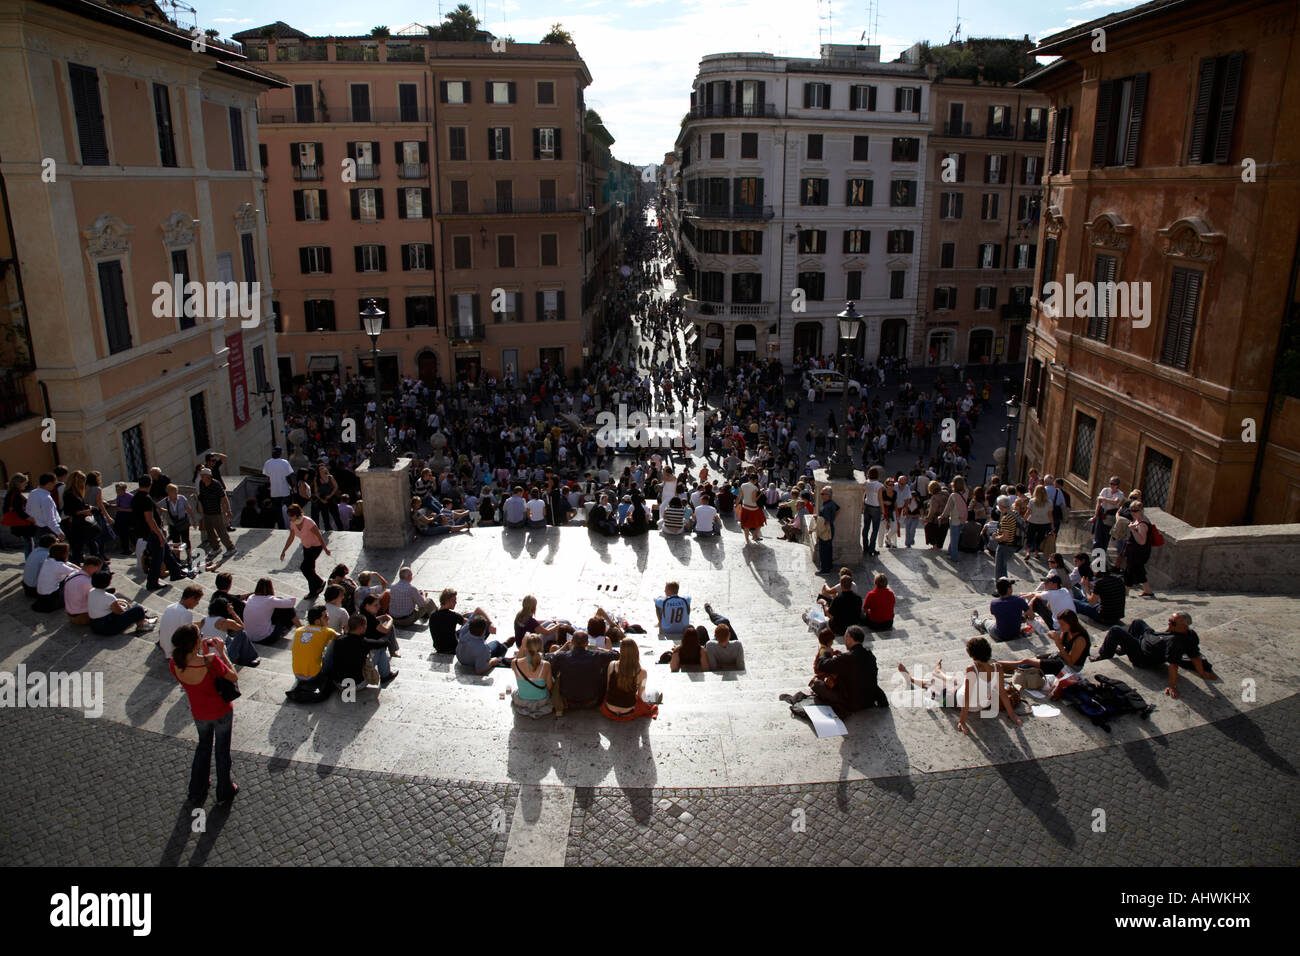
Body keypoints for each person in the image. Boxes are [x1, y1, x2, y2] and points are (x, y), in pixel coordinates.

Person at [171, 624, 239, 804]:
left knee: (203, 748)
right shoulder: (211, 660)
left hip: (199, 713)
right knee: (222, 751)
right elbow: (233, 677)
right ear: (195, 643)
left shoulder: (175, 663)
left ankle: (197, 788)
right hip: (221, 711)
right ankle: (224, 791)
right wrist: (222, 652)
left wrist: (201, 651)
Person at [897, 637, 1023, 733]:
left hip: (959, 701)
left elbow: (966, 699)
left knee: (932, 683)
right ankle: (939, 672)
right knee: (957, 679)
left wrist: (962, 722)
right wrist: (1013, 716)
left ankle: (911, 678)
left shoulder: (972, 669)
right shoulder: (997, 667)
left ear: (971, 654)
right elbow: (1002, 693)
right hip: (982, 703)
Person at [1091, 612, 1219, 699]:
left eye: (1172, 623)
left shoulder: (1175, 643)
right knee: (1138, 622)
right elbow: (1195, 656)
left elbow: (1173, 665)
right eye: (1170, 620)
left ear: (1183, 626)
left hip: (1142, 656)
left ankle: (1103, 655)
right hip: (1149, 638)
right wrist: (1202, 673)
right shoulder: (1189, 634)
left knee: (1115, 630)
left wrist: (1172, 686)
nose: (1169, 624)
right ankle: (1124, 648)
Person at [782, 625, 888, 719]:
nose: (844, 640)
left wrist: (827, 654)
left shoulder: (847, 658)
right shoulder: (870, 655)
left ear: (850, 638)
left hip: (851, 703)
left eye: (846, 637)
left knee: (817, 684)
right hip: (869, 701)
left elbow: (821, 665)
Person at [997, 609, 1090, 678]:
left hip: (1070, 667)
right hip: (1061, 658)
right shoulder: (1067, 631)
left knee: (1026, 662)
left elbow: (1071, 661)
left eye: (1062, 624)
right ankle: (996, 666)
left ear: (1071, 623)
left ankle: (995, 666)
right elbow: (1062, 643)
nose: (1060, 627)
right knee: (1032, 660)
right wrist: (1054, 637)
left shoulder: (1080, 639)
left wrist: (1058, 643)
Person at [133, 476, 189, 589]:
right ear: (150, 484)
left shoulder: (136, 497)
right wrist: (160, 535)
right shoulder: (146, 498)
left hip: (145, 531)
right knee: (157, 558)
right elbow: (149, 519)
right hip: (152, 532)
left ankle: (176, 573)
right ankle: (152, 583)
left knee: (167, 553)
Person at [546, 630, 618, 713]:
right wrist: (598, 648)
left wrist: (563, 647)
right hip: (593, 701)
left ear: (572, 642)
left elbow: (548, 657)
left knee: (556, 670)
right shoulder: (596, 655)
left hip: (568, 701)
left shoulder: (562, 656)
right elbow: (615, 654)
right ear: (587, 643)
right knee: (607, 666)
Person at [286, 605, 338, 702]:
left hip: (297, 673)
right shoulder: (327, 631)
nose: (328, 618)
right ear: (317, 621)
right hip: (314, 675)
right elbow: (343, 639)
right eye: (325, 617)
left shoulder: (299, 630)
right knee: (335, 645)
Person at [600, 638, 659, 720]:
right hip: (628, 710)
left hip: (609, 708)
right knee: (653, 693)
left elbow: (608, 688)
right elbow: (641, 696)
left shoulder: (612, 665)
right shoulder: (642, 672)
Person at [280, 504, 330, 598]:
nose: (290, 518)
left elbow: (319, 536)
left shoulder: (308, 522)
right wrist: (284, 550)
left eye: (291, 516)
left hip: (316, 547)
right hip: (306, 547)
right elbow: (291, 537)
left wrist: (325, 549)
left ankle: (320, 582)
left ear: (297, 514)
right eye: (289, 516)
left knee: (304, 568)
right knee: (310, 569)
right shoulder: (293, 523)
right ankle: (313, 592)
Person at [87, 569, 156, 635]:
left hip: (94, 625)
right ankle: (142, 626)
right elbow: (119, 612)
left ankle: (144, 620)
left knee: (132, 609)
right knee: (138, 609)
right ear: (108, 582)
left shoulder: (91, 591)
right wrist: (125, 608)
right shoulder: (109, 597)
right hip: (106, 628)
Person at [329, 613, 387, 691]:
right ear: (360, 628)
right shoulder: (364, 643)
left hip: (337, 682)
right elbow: (384, 643)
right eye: (365, 625)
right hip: (356, 685)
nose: (366, 627)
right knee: (380, 649)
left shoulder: (339, 639)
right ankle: (386, 675)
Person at [200, 597, 261, 666]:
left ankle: (239, 657)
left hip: (206, 655)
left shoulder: (204, 620)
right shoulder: (225, 622)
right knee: (242, 633)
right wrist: (233, 613)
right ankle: (250, 659)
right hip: (222, 657)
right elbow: (242, 627)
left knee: (227, 637)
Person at [509, 635, 554, 719]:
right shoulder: (546, 665)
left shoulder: (514, 663)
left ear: (526, 647)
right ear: (540, 647)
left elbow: (517, 660)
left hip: (521, 701)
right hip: (541, 701)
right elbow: (549, 686)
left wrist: (522, 646)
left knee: (515, 691)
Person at [243, 578, 299, 643]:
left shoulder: (251, 597)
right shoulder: (270, 600)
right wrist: (279, 599)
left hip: (249, 636)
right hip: (265, 638)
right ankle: (300, 628)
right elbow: (291, 603)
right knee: (288, 609)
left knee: (274, 608)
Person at [973, 577, 1030, 641]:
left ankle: (975, 620)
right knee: (991, 622)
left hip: (1000, 635)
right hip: (1015, 634)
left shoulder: (994, 603)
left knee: (985, 621)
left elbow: (999, 615)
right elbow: (1032, 615)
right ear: (1009, 589)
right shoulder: (1019, 600)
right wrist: (1021, 617)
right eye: (1010, 586)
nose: (1011, 588)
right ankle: (977, 622)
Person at [195, 468, 235, 556]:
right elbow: (201, 496)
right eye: (201, 475)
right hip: (206, 512)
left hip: (216, 512)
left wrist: (228, 510)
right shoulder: (202, 483)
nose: (201, 477)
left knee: (221, 531)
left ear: (208, 476)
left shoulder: (215, 484)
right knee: (209, 532)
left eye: (203, 475)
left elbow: (223, 497)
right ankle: (216, 548)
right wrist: (198, 502)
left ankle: (231, 548)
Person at [158, 585, 205, 658]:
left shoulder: (170, 606)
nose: (197, 603)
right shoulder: (186, 613)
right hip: (173, 651)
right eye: (197, 600)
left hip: (164, 645)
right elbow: (188, 635)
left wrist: (200, 623)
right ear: (191, 598)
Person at [33, 542, 79, 612]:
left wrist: (78, 568)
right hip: (50, 599)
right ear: (63, 554)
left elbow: (68, 564)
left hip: (41, 596)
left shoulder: (48, 560)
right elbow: (78, 573)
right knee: (75, 583)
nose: (68, 553)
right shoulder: (59, 566)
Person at [1124, 502, 1155, 598]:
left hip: (1138, 552)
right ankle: (1148, 590)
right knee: (1137, 570)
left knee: (1131, 570)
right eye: (1131, 511)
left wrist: (1133, 530)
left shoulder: (1142, 524)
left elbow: (1142, 541)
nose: (1132, 513)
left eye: (1135, 511)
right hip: (1134, 551)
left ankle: (1125, 591)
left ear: (1140, 510)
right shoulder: (1138, 519)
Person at [62, 555, 101, 625]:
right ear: (91, 567)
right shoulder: (86, 581)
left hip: (71, 614)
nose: (97, 571)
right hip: (81, 617)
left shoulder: (71, 575)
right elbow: (96, 599)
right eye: (97, 569)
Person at [262, 446, 295, 528]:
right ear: (280, 453)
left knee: (278, 512)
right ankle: (294, 525)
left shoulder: (267, 463)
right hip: (285, 491)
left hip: (274, 492)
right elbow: (288, 476)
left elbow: (268, 477)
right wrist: (292, 487)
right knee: (290, 510)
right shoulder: (285, 462)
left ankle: (282, 528)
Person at [25, 472, 63, 541]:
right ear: (49, 484)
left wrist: (35, 520)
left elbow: (28, 510)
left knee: (39, 549)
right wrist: (59, 532)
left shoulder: (33, 493)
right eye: (54, 483)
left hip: (37, 527)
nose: (55, 485)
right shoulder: (46, 498)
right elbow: (50, 519)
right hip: (48, 530)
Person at [1093, 475, 1125, 551]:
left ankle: (1102, 554)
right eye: (1110, 483)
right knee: (1097, 535)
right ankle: (1096, 554)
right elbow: (1099, 502)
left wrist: (1104, 498)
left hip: (1110, 515)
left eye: (1113, 484)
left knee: (1106, 536)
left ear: (1117, 485)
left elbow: (1115, 502)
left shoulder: (1120, 494)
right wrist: (1096, 514)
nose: (1111, 485)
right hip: (1102, 513)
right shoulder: (1105, 490)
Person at [737, 470, 766, 544]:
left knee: (746, 526)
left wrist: (736, 504)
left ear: (749, 479)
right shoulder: (754, 488)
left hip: (745, 507)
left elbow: (739, 497)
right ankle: (755, 535)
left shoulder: (743, 485)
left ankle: (747, 540)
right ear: (756, 480)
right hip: (753, 508)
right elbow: (754, 500)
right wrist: (761, 494)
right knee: (761, 521)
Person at [861, 466, 884, 556]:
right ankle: (872, 548)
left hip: (867, 505)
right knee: (875, 529)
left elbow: (863, 495)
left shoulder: (866, 483)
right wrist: (883, 510)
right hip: (876, 507)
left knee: (866, 527)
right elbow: (880, 498)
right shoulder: (879, 485)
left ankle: (865, 547)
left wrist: (862, 506)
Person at [815, 485, 838, 574]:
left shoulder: (828, 506)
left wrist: (821, 523)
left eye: (823, 494)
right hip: (829, 528)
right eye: (821, 493)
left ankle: (824, 569)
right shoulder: (831, 503)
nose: (821, 495)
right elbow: (838, 509)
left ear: (828, 495)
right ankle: (828, 566)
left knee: (824, 549)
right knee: (828, 548)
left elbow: (827, 520)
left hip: (826, 529)